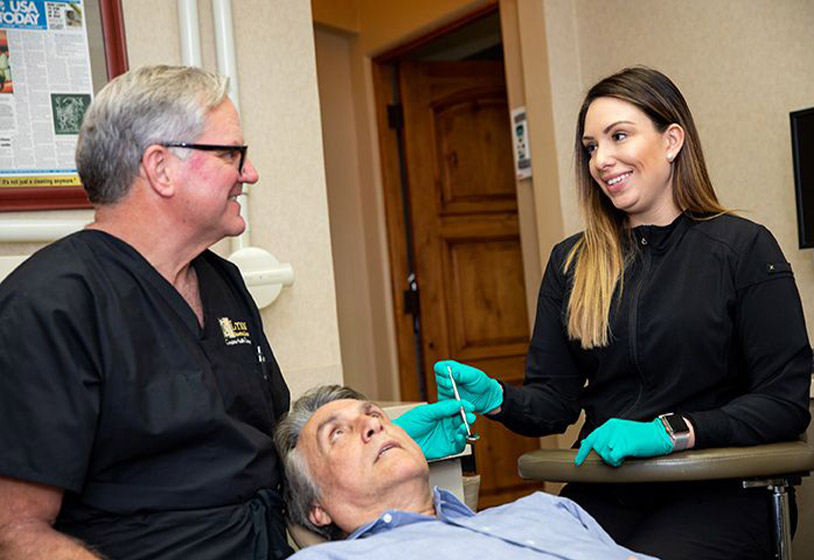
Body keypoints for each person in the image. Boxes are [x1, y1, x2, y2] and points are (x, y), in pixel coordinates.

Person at [0, 65, 472, 560]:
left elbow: (261, 449)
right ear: (160, 168)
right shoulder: (50, 307)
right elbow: (15, 532)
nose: (249, 173)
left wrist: (384, 445)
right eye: (230, 154)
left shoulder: (222, 283)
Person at [435, 66, 811, 560]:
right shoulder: (572, 262)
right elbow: (555, 402)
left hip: (721, 491)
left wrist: (672, 431)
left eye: (618, 137)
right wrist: (497, 397)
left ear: (672, 140)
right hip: (607, 491)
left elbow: (784, 403)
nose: (601, 160)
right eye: (591, 147)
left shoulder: (742, 249)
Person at [274, 385, 657, 560]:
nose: (373, 426)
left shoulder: (548, 509)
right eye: (337, 434)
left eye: (373, 415)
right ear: (317, 510)